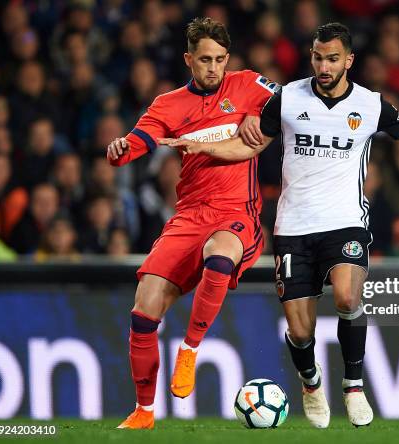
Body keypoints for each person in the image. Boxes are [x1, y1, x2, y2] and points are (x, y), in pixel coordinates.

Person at [162, 22, 399, 428]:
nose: (323, 66)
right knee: (301, 331)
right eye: (318, 57)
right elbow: (249, 145)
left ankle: (353, 385)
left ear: (348, 61)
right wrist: (203, 145)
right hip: (293, 227)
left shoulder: (371, 105)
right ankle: (311, 380)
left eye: (332, 58)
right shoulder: (287, 99)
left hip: (345, 222)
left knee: (346, 298)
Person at [106, 17, 276, 430]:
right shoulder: (168, 104)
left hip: (237, 213)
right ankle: (144, 412)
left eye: (219, 59)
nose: (213, 68)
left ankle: (190, 350)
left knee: (220, 256)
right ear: (188, 59)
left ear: (228, 59)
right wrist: (119, 151)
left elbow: (288, 104)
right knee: (144, 307)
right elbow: (139, 142)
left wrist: (262, 116)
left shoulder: (250, 85)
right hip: (189, 214)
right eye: (204, 60)